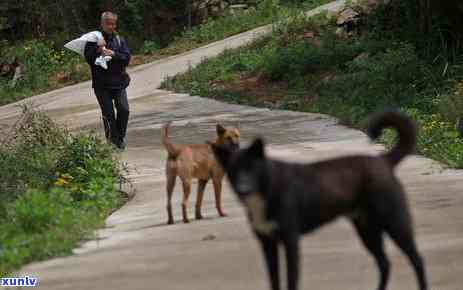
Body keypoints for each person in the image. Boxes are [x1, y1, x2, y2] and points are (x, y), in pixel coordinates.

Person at [84, 11, 131, 149]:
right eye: (108, 23)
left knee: (124, 109)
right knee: (108, 114)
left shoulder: (119, 40)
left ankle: (118, 138)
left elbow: (126, 58)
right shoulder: (92, 40)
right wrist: (98, 49)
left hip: (119, 82)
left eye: (113, 23)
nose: (111, 26)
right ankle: (113, 142)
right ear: (102, 23)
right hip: (101, 85)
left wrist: (114, 54)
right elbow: (89, 59)